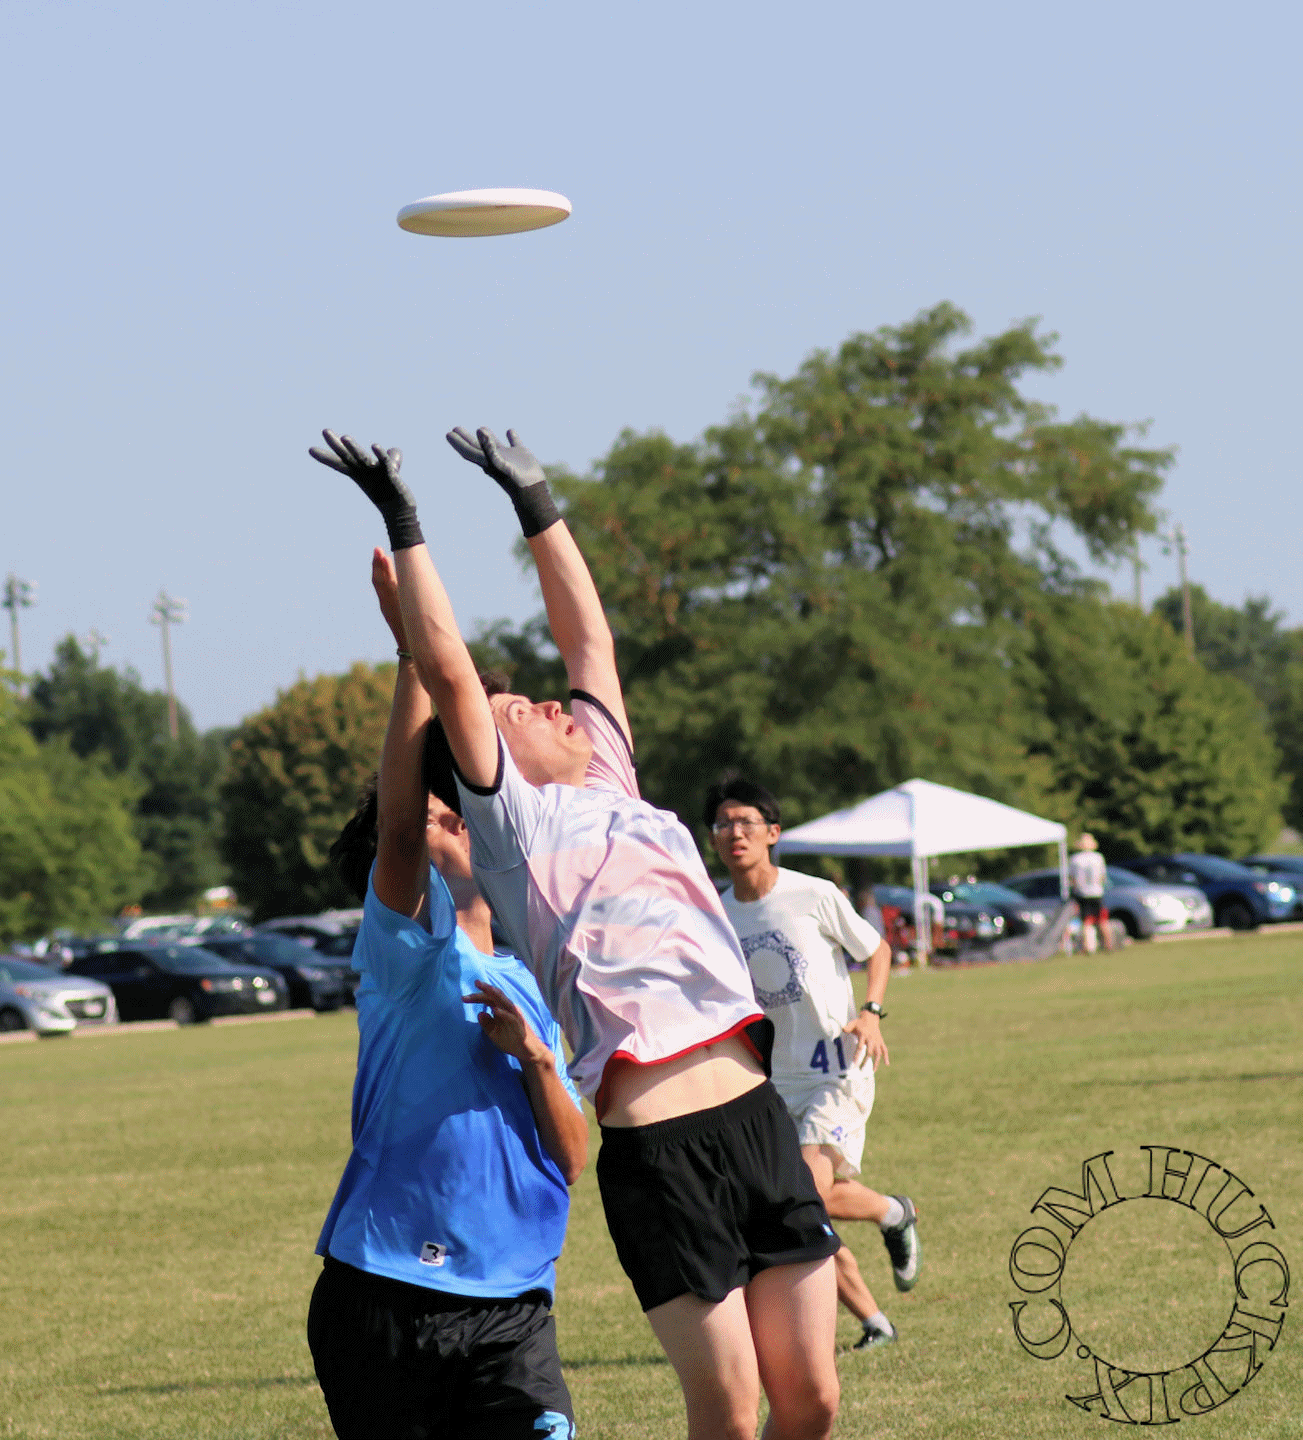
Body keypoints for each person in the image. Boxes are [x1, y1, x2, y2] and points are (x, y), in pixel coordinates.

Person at [314, 428, 840, 1440]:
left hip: (756, 1116)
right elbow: (453, 675)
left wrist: (537, 502)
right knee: (731, 1414)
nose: (553, 705)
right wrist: (406, 521)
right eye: (523, 710)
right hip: (660, 1149)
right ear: (488, 759)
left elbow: (588, 639)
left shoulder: (615, 783)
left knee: (811, 1401)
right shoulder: (513, 829)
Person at [308, 549, 588, 1440]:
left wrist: (536, 1058)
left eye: (455, 812)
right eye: (436, 816)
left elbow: (572, 1157)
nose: (451, 822)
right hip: (384, 1290)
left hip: (514, 1302)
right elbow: (397, 825)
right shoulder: (407, 955)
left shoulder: (532, 975)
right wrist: (413, 659)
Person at [705, 773, 923, 1353]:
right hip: (771, 1081)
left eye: (746, 822)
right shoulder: (717, 914)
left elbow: (876, 948)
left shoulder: (813, 894)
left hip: (837, 1068)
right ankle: (875, 1316)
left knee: (808, 1193)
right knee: (787, 1207)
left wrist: (871, 1012)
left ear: (773, 832)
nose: (735, 833)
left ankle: (894, 1215)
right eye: (723, 824)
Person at [1068, 833, 1112, 953]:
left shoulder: (1074, 859)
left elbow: (1072, 879)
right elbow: (1103, 877)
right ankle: (1108, 944)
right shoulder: (1098, 857)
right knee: (1102, 919)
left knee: (1086, 921)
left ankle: (1088, 947)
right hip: (1097, 892)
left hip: (1082, 893)